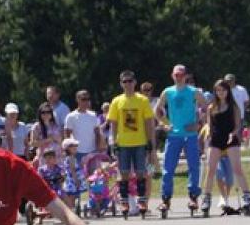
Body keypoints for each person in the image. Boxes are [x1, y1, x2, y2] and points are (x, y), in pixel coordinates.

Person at [154, 64, 206, 213]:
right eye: (176, 75)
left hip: (190, 135)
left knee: (193, 166)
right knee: (168, 168)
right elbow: (157, 110)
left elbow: (207, 107)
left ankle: (193, 197)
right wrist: (164, 125)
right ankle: (165, 199)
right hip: (174, 135)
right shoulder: (168, 91)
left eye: (181, 75)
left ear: (186, 76)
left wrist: (198, 124)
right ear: (172, 76)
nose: (179, 77)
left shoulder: (193, 91)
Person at [107, 70, 157, 216]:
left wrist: (150, 142)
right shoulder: (117, 101)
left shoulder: (142, 100)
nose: (128, 84)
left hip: (140, 142)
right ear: (121, 84)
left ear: (135, 82)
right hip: (123, 144)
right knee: (124, 174)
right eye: (125, 82)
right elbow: (114, 123)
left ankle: (142, 200)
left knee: (141, 173)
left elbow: (148, 122)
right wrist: (113, 141)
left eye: (130, 81)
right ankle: (124, 202)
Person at [201, 79, 250, 215]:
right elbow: (209, 125)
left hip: (231, 138)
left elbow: (238, 125)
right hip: (216, 139)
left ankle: (247, 198)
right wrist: (208, 135)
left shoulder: (233, 106)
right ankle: (206, 199)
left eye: (223, 90)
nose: (221, 93)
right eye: (218, 90)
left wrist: (233, 134)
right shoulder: (211, 107)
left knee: (237, 168)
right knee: (211, 169)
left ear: (227, 91)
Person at [64, 89, 101, 165]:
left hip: (92, 151)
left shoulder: (93, 115)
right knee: (80, 176)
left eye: (88, 99)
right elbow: (67, 135)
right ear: (77, 100)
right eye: (83, 99)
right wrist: (69, 152)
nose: (86, 102)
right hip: (77, 153)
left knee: (94, 176)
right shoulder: (71, 116)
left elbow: (97, 133)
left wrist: (98, 149)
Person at [59, 138, 86, 212]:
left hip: (70, 178)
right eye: (73, 147)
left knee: (72, 195)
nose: (75, 148)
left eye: (76, 147)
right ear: (67, 149)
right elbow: (72, 170)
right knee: (72, 195)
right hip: (72, 180)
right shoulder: (71, 158)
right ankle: (71, 209)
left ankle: (71, 208)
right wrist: (76, 180)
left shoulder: (70, 158)